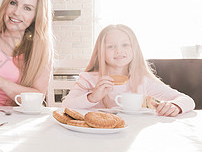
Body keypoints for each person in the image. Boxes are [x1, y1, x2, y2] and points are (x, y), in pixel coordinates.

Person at [62, 24, 195, 116]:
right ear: (100, 52)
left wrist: (175, 106)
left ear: (134, 49)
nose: (119, 50)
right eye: (110, 46)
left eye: (125, 44)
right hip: (96, 137)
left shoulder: (142, 80)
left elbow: (187, 100)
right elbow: (66, 106)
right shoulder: (89, 79)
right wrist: (93, 97)